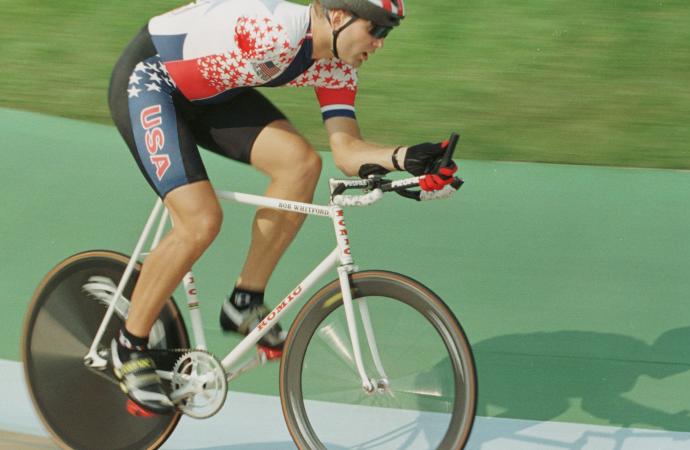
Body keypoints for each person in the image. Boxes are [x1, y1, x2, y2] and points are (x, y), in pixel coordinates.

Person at [107, 0, 458, 415]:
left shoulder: (336, 65)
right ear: (341, 16)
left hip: (214, 93)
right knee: (200, 220)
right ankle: (129, 346)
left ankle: (244, 301)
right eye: (377, 30)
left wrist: (406, 159)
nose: (379, 44)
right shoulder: (272, 32)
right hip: (152, 81)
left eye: (387, 34)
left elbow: (346, 152)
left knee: (301, 165)